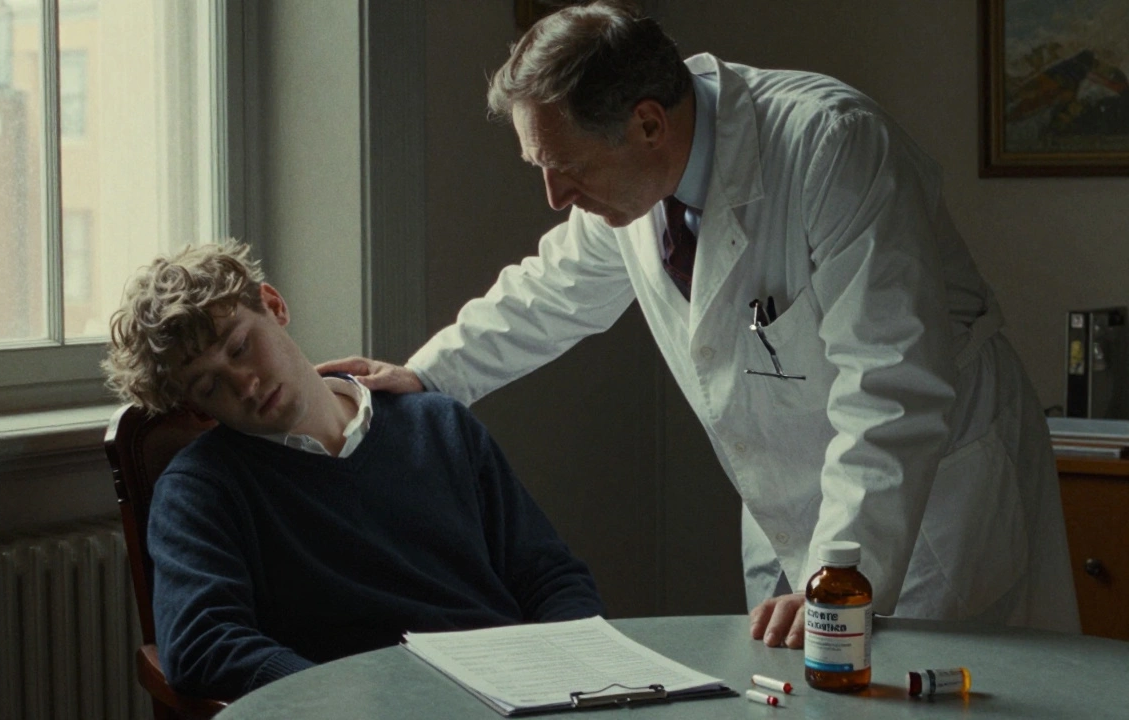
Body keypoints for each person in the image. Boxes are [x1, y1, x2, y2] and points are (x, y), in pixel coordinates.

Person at [319, 1, 1080, 648]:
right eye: (539, 168)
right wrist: (428, 375)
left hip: (933, 494)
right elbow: (549, 292)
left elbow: (893, 384)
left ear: (648, 122)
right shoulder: (629, 186)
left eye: (565, 168)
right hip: (794, 502)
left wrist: (846, 570)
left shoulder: (829, 146)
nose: (553, 196)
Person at [102, 240, 604, 700]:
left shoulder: (440, 424)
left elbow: (552, 577)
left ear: (274, 307)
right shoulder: (201, 489)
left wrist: (567, 673)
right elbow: (203, 643)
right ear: (199, 411)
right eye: (210, 386)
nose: (246, 384)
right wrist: (345, 698)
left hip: (525, 692)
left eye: (240, 347)